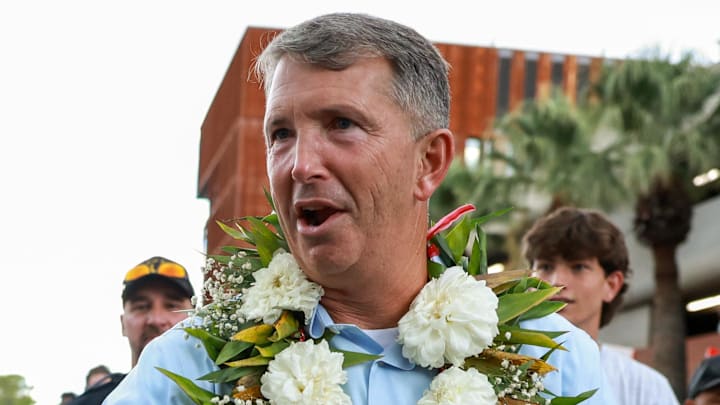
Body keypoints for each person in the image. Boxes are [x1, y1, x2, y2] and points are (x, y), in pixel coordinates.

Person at [105, 13, 614, 404]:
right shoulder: (190, 363)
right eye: (280, 134)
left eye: (341, 124)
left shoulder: (552, 361)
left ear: (428, 162)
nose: (300, 165)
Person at [523, 206, 679, 404]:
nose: (556, 282)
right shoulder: (488, 367)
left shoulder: (646, 388)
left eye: (578, 267)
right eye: (545, 267)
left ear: (612, 284)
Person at [70, 256, 194, 405]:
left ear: (195, 317)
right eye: (141, 306)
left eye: (172, 306)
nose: (156, 319)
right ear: (123, 324)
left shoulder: (224, 390)